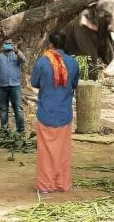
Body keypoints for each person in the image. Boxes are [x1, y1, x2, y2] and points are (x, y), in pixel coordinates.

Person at [31, 31, 80, 193]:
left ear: (50, 44)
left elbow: (35, 83)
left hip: (46, 112)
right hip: (64, 113)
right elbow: (73, 84)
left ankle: (46, 186)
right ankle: (62, 184)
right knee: (63, 151)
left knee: (45, 152)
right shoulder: (73, 63)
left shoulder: (42, 62)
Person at [0, 37, 28, 134]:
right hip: (1, 85)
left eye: (10, 44)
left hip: (15, 85)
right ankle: (5, 130)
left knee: (18, 108)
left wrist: (17, 51)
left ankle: (20, 130)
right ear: (2, 44)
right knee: (3, 108)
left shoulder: (16, 52)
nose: (8, 46)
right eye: (6, 44)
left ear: (13, 44)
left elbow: (24, 60)